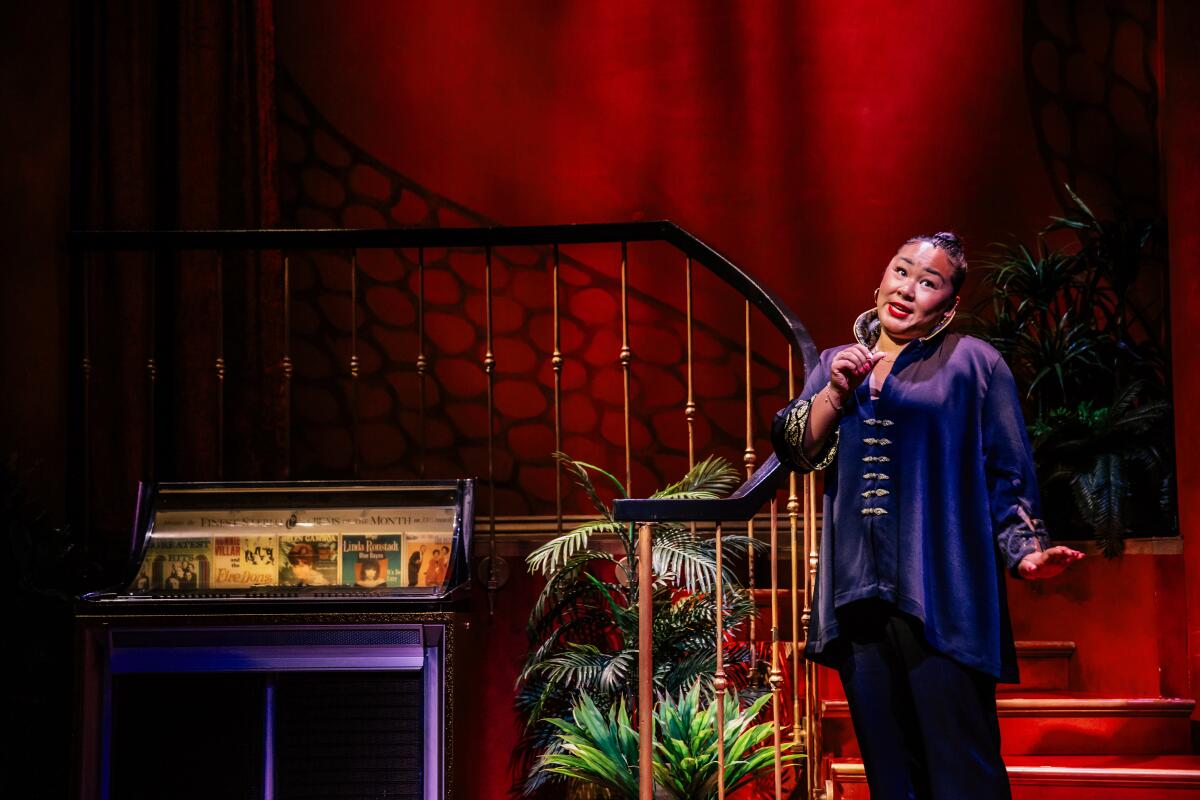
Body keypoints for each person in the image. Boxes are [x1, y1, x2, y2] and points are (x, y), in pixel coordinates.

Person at [772, 232, 1084, 800]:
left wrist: (1027, 549)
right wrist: (836, 391)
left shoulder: (973, 363)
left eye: (928, 281)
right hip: (856, 593)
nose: (907, 288)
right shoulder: (834, 365)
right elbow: (796, 449)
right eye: (901, 270)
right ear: (882, 276)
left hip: (944, 591)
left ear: (949, 303)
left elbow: (1006, 469)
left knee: (962, 772)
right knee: (892, 779)